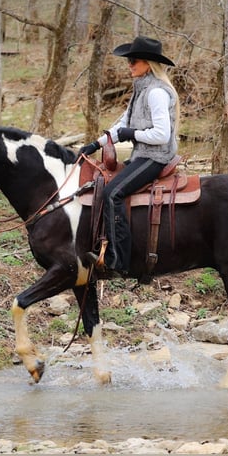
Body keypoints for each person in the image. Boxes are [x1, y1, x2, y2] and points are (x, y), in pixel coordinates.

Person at [78, 36, 179, 278]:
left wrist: (132, 134)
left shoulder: (156, 93)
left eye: (134, 60)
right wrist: (95, 144)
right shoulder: (141, 89)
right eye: (129, 60)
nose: (129, 64)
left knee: (113, 193)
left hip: (157, 156)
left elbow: (162, 135)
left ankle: (118, 260)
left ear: (148, 64)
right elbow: (122, 124)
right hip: (142, 154)